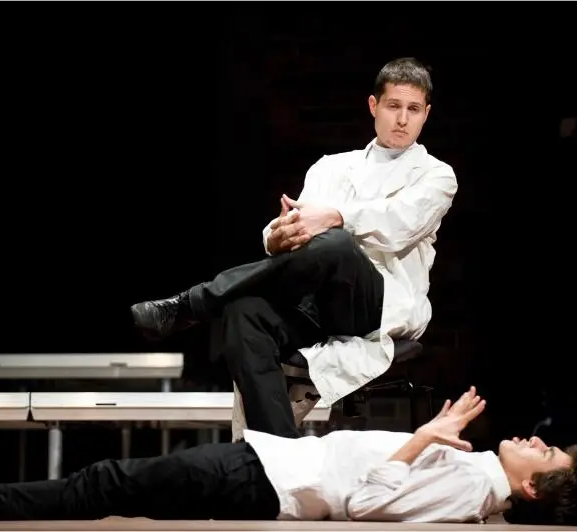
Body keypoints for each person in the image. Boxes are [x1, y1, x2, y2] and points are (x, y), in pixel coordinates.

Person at [130, 57, 458, 439]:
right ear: (373, 105)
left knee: (337, 244)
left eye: (413, 109)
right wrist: (276, 237)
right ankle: (274, 451)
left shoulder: (437, 176)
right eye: (393, 106)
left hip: (379, 305)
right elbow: (299, 229)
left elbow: (397, 225)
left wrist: (335, 216)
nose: (402, 119)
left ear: (426, 114)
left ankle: (193, 303)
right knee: (244, 312)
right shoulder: (330, 167)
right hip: (318, 302)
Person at [0, 387, 577, 525]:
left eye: (547, 455)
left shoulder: (470, 490)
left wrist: (423, 436)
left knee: (104, 483)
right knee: (108, 484)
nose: (536, 441)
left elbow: (366, 505)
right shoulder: (477, 477)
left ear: (535, 492)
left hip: (265, 482)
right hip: (268, 468)